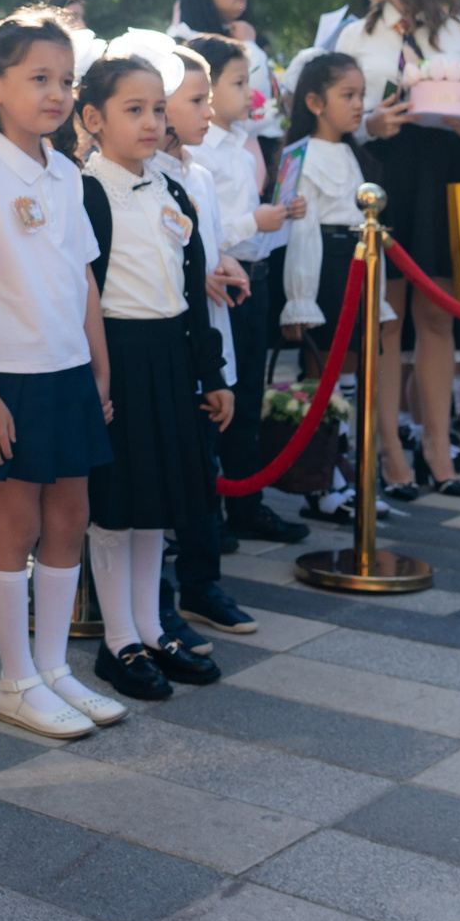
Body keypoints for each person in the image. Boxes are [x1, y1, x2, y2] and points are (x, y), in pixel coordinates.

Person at [0, 9, 127, 739]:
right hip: (10, 381)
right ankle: (15, 677)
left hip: (69, 373)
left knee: (70, 516)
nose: (56, 92)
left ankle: (54, 668)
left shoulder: (65, 172)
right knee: (14, 521)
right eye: (38, 77)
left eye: (65, 79)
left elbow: (83, 279)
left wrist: (100, 371)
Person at [73, 55, 230, 700]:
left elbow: (191, 291)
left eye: (157, 109)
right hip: (117, 357)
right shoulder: (86, 192)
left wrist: (210, 372)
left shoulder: (170, 188)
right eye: (133, 110)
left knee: (153, 506)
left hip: (168, 356)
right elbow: (78, 295)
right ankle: (119, 642)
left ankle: (151, 629)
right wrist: (94, 375)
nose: (151, 122)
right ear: (92, 119)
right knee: (116, 507)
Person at [339, 0, 460, 490]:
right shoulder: (354, 36)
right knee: (387, 320)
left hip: (445, 167)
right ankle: (390, 450)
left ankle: (438, 448)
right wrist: (369, 123)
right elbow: (341, 114)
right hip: (384, 171)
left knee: (438, 315)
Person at [159, 44, 270, 633]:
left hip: (208, 339)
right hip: (164, 344)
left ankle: (201, 585)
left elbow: (207, 245)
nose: (208, 112)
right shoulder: (142, 175)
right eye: (194, 100)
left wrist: (223, 263)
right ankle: (152, 600)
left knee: (203, 466)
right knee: (161, 472)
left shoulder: (198, 174)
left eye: (207, 99)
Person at [184, 33, 309, 543]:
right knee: (220, 398)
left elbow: (246, 223)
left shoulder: (237, 146)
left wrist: (277, 217)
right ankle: (210, 507)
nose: (251, 96)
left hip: (253, 280)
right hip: (221, 285)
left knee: (250, 397)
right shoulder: (202, 155)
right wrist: (254, 221)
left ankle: (246, 501)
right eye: (237, 84)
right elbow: (209, 232)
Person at [276, 50, 386, 521]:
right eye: (348, 95)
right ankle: (322, 483)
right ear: (316, 102)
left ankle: (346, 472)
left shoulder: (352, 152)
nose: (359, 104)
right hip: (322, 268)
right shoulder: (299, 155)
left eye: (362, 95)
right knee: (321, 376)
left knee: (350, 374)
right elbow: (300, 230)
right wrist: (300, 300)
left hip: (356, 265)